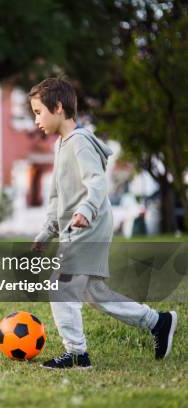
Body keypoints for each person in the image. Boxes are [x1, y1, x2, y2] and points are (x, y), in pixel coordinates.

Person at [29, 77, 177, 369]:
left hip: (88, 224)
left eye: (38, 112)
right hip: (80, 225)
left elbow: (96, 182)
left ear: (58, 107)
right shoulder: (62, 145)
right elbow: (57, 196)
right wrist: (47, 231)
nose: (36, 121)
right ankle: (157, 322)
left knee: (61, 286)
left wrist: (85, 209)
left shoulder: (80, 142)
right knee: (92, 293)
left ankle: (77, 354)